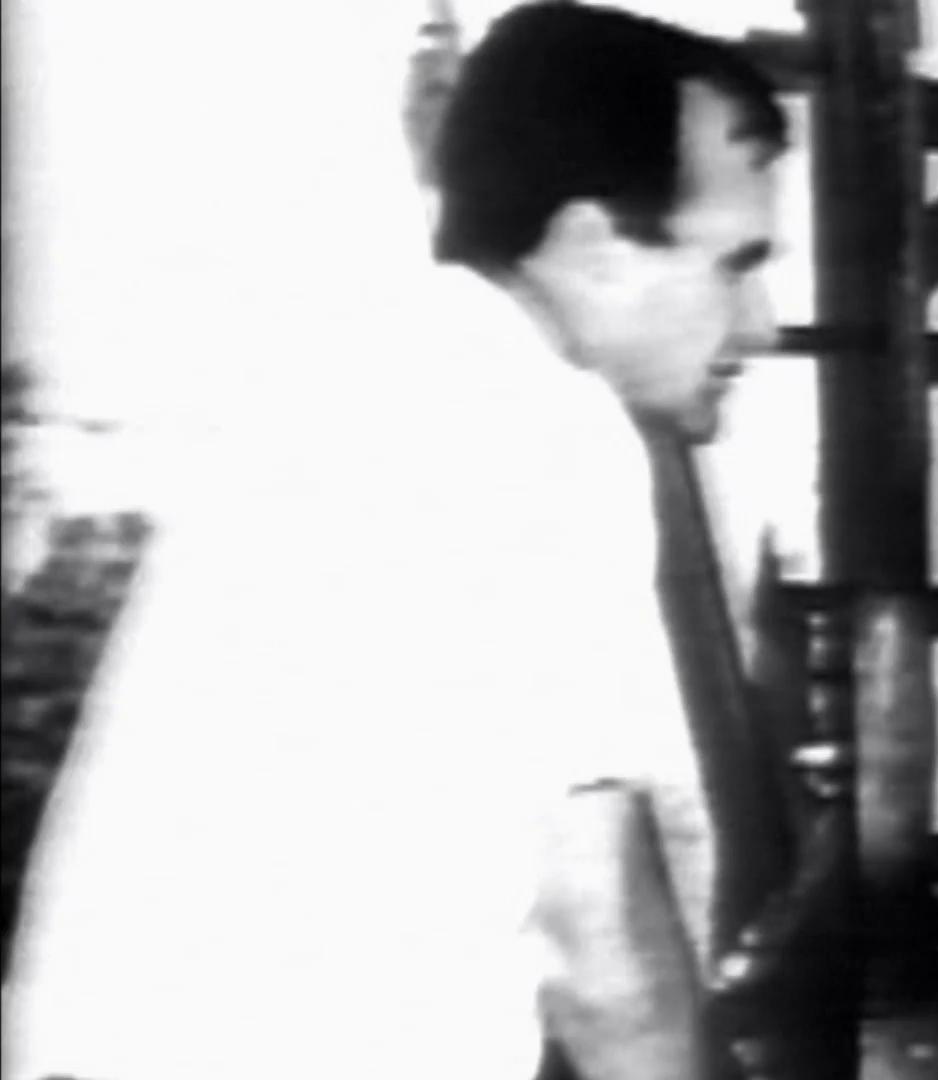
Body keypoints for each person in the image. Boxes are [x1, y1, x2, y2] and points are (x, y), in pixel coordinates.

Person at [3, 4, 790, 1079]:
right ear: (594, 247)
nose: (761, 323)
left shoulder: (394, 383)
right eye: (734, 265)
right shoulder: (533, 429)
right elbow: (601, 947)